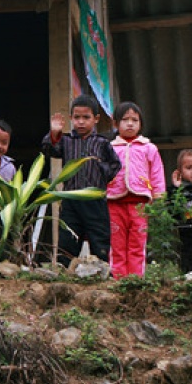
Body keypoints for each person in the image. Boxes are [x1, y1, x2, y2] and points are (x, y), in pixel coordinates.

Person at [41, 94, 121, 265]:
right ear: (71, 118)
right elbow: (49, 150)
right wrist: (54, 133)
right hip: (71, 200)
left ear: (96, 119)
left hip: (95, 200)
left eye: (86, 117)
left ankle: (101, 273)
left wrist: (100, 169)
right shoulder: (67, 141)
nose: (81, 122)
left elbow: (115, 165)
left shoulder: (102, 143)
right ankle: (65, 273)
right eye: (77, 117)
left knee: (99, 239)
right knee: (67, 240)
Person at [106, 102, 166, 278]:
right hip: (114, 202)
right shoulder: (109, 148)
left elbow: (156, 172)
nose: (130, 124)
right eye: (125, 120)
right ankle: (119, 279)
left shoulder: (149, 147)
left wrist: (158, 195)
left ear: (141, 124)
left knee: (137, 243)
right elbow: (101, 172)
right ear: (116, 124)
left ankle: (136, 280)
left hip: (140, 204)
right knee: (116, 243)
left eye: (135, 120)